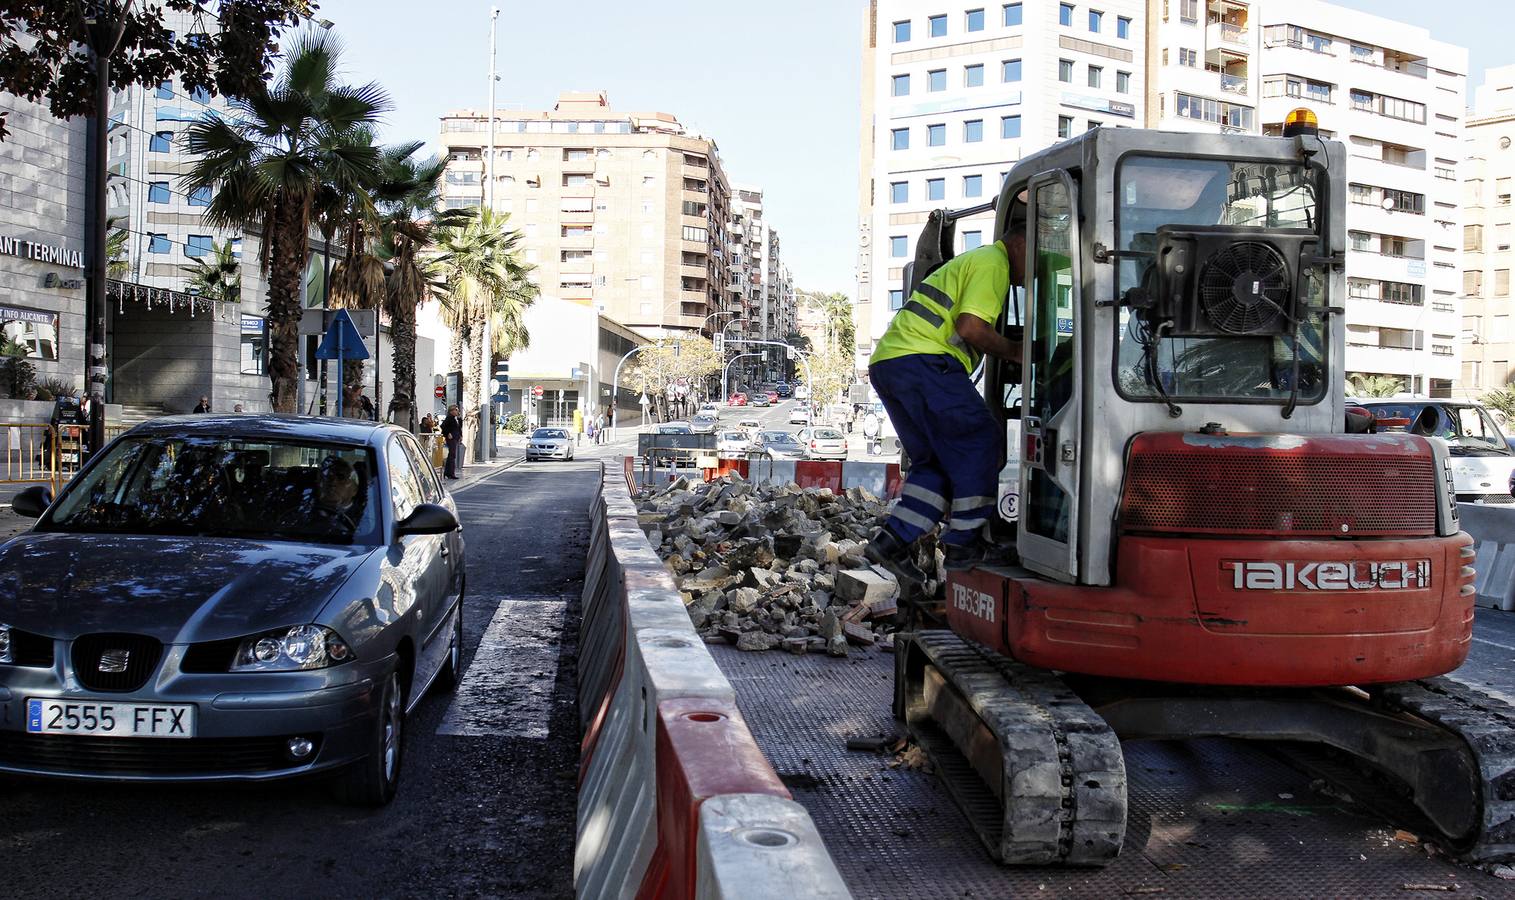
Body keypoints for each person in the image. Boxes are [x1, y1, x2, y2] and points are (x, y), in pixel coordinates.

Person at [864, 216, 1026, 581]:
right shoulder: (994, 263)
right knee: (980, 439)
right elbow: (971, 327)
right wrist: (1016, 352)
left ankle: (892, 542)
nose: (1032, 276)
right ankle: (965, 542)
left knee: (935, 462)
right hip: (924, 361)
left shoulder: (976, 262)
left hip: (892, 364)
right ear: (1022, 245)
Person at [441, 405, 463, 480]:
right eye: (456, 410)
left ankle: (448, 472)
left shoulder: (455, 419)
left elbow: (459, 427)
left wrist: (460, 435)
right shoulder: (449, 418)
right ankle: (450, 473)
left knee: (452, 455)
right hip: (451, 438)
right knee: (451, 455)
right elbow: (443, 426)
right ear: (452, 411)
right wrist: (448, 433)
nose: (457, 411)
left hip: (455, 437)